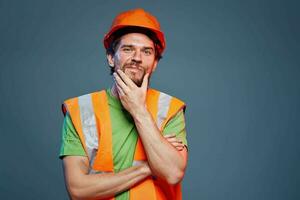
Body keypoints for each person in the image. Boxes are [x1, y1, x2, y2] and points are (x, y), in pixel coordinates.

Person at [59, 8, 188, 200]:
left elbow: (172, 173)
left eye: (147, 51)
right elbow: (78, 190)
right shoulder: (81, 110)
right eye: (128, 49)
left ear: (154, 64)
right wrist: (147, 167)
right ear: (111, 58)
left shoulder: (170, 109)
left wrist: (139, 110)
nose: (137, 57)